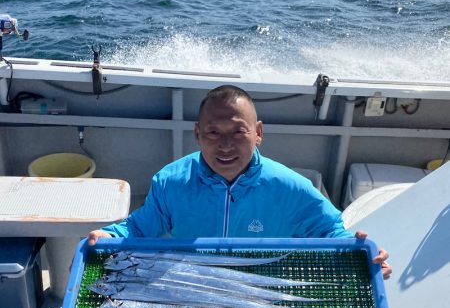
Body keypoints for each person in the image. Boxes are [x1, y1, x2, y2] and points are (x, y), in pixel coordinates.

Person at [88, 85, 391, 278]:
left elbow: (330, 231)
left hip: (264, 287)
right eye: (213, 133)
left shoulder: (291, 187)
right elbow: (140, 227)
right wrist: (111, 235)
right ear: (197, 134)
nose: (225, 145)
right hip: (193, 282)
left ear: (258, 132)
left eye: (237, 132)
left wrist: (363, 256)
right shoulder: (170, 182)